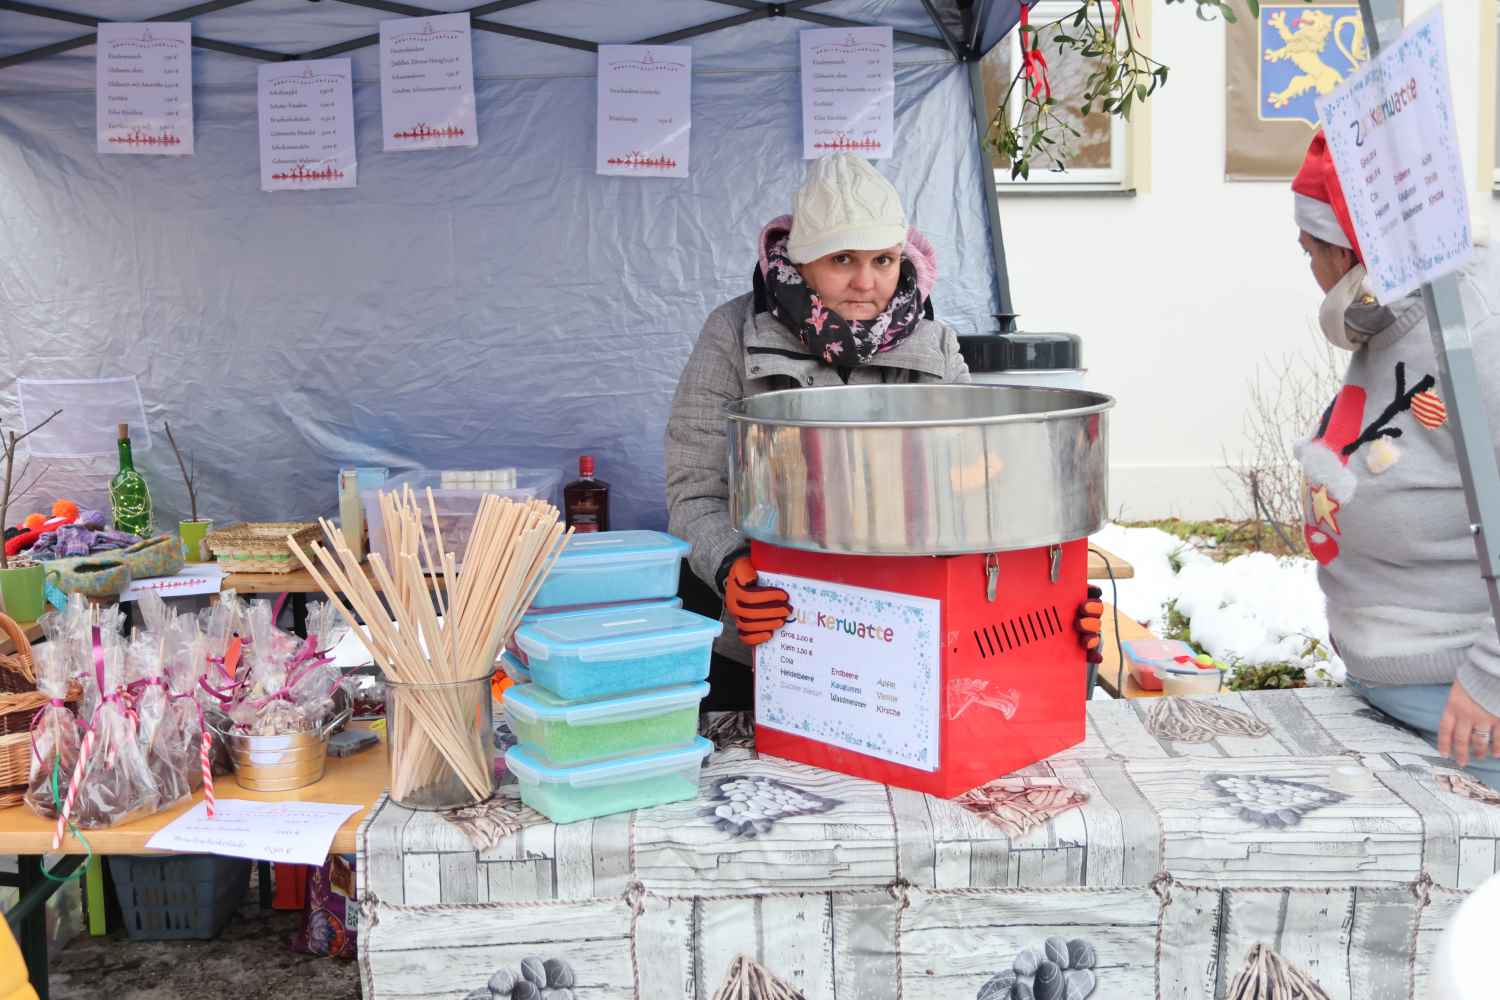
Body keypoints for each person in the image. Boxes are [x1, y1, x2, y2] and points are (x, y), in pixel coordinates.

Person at [666, 153, 1105, 709]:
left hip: (906, 642)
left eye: (883, 258)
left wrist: (1045, 592)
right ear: (801, 262)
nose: (866, 281)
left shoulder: (936, 343)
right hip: (777, 641)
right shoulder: (733, 334)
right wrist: (732, 567)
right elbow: (695, 489)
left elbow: (981, 486)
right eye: (842, 258)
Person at [1291, 132, 1500, 785]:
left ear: (1352, 248)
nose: (1312, 274)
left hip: (1465, 710)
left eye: (1312, 253)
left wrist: (1491, 680)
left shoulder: (1480, 332)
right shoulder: (1400, 311)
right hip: (1402, 690)